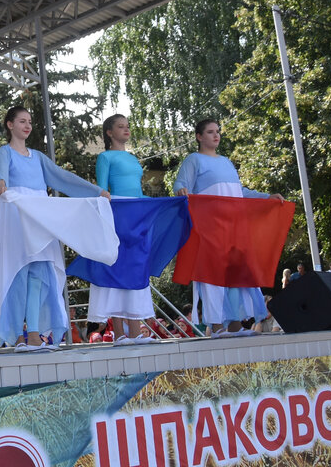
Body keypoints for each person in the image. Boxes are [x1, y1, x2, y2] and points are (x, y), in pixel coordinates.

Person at [0, 105, 109, 350]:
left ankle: (34, 332)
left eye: (30, 122)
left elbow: (61, 177)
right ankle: (15, 334)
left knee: (38, 273)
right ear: (9, 125)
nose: (27, 126)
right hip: (18, 215)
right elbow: (0, 172)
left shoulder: (37, 157)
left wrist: (96, 192)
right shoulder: (5, 152)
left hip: (41, 216)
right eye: (22, 121)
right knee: (19, 273)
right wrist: (1, 180)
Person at [173, 118, 284, 338]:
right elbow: (180, 183)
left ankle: (234, 325)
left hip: (234, 227)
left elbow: (239, 191)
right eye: (210, 132)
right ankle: (216, 326)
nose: (216, 135)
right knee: (212, 275)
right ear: (199, 136)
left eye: (218, 132)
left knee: (235, 274)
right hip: (209, 227)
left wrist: (266, 197)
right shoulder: (194, 159)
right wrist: (181, 190)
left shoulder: (226, 161)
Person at [89, 114, 156, 345]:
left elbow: (136, 190)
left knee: (135, 268)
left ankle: (136, 331)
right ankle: (119, 333)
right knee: (116, 268)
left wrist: (151, 204)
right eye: (120, 126)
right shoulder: (105, 157)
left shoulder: (134, 158)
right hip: (118, 214)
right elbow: (102, 190)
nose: (126, 130)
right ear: (109, 132)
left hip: (136, 213)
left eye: (127, 126)